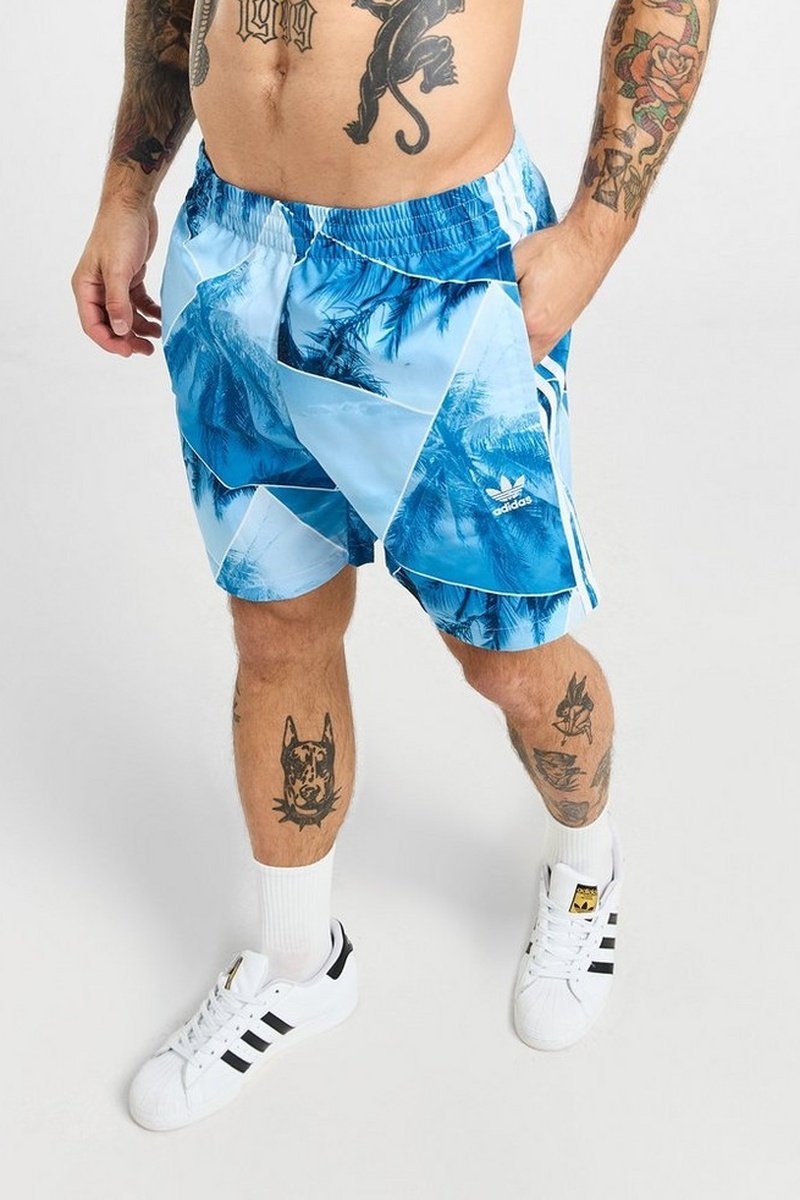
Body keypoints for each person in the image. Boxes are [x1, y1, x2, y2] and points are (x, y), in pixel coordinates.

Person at [72, 0, 717, 1131]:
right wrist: (130, 186)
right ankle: (296, 960)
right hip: (231, 248)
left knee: (505, 655)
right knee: (275, 626)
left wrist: (595, 234)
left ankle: (585, 865)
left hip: (441, 264)